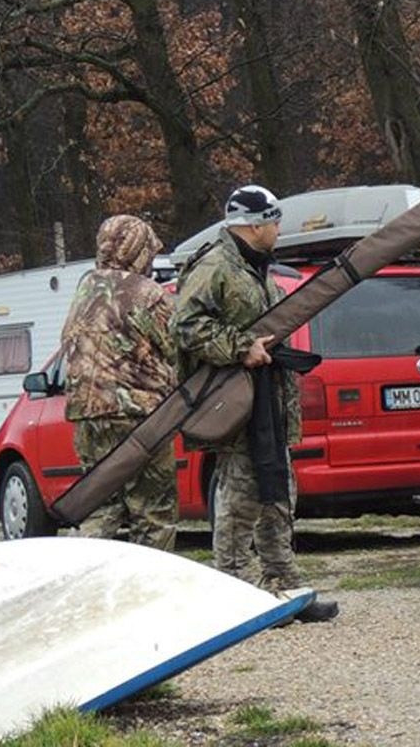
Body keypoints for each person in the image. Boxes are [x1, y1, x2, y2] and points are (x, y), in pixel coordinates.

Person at [172, 184, 338, 622]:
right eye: (273, 220)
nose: (279, 228)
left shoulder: (256, 267)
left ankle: (284, 584)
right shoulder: (214, 266)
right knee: (240, 496)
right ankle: (233, 592)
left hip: (270, 402)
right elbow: (185, 327)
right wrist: (240, 346)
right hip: (236, 404)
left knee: (278, 491)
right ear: (252, 224)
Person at [60, 215, 178, 550]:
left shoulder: (85, 289)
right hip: (140, 420)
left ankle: (86, 580)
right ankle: (150, 589)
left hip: (87, 417)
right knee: (153, 513)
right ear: (140, 251)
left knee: (100, 506)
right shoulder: (149, 293)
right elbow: (176, 347)